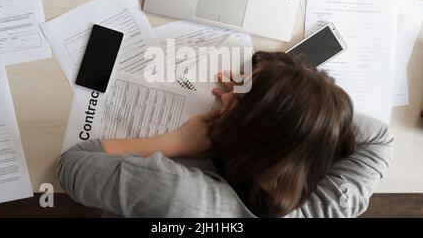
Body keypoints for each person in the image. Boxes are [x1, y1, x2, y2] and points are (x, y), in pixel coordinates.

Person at [57, 52, 394, 217]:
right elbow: (379, 138)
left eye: (237, 99)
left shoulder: (179, 195)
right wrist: (293, 107)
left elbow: (71, 165)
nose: (223, 93)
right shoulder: (323, 208)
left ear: (248, 139)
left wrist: (173, 143)